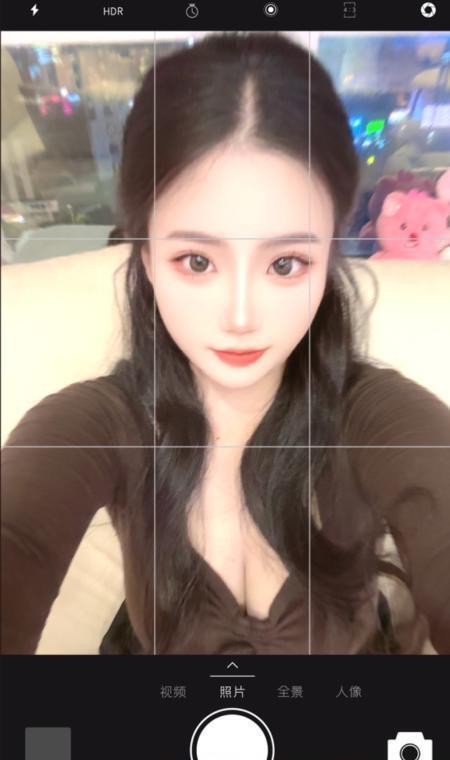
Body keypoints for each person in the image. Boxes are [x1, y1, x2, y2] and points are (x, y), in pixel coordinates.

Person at [2, 32, 450, 656]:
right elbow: (18, 535)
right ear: (146, 256)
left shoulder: (371, 415)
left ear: (329, 256)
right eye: (196, 260)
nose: (240, 317)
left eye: (286, 263)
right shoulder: (103, 422)